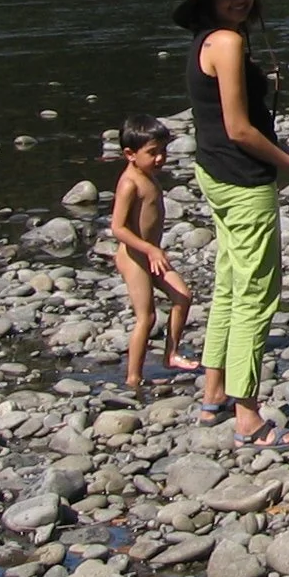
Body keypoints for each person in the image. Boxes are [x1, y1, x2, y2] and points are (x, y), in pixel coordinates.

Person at [176, 0, 289, 448]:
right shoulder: (227, 44)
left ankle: (213, 394)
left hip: (214, 172)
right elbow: (241, 129)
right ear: (208, 1)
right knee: (257, 295)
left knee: (229, 282)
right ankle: (248, 417)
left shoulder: (210, 40)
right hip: (242, 181)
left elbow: (232, 125)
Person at [109, 114, 200, 388]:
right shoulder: (130, 183)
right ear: (130, 154)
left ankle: (170, 354)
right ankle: (133, 377)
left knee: (183, 296)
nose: (160, 158)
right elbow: (118, 228)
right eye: (152, 153)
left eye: (163, 152)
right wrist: (149, 249)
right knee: (146, 317)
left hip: (151, 255)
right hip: (135, 257)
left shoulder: (148, 175)